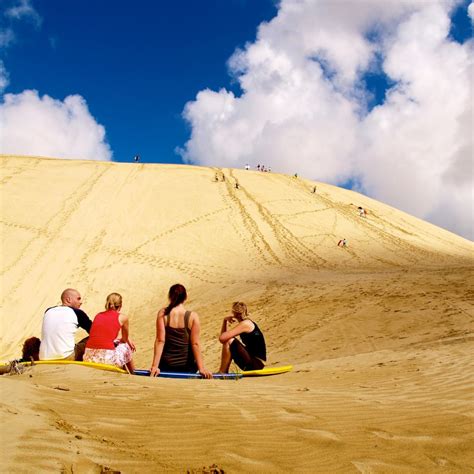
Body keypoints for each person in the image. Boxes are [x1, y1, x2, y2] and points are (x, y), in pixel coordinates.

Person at [150, 284, 212, 378]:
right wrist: (201, 368)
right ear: (185, 297)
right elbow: (195, 343)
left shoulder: (163, 313)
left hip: (166, 367)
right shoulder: (193, 316)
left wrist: (155, 366)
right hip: (187, 368)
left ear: (170, 296)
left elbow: (160, 340)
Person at [83, 293, 135, 371]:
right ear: (120, 305)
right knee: (126, 345)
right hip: (106, 360)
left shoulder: (98, 315)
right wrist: (126, 339)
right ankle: (132, 372)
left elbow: (103, 335)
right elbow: (124, 340)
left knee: (115, 344)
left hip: (88, 357)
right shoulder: (123, 317)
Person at [39, 288, 92, 360]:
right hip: (66, 357)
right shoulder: (77, 313)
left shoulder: (48, 311)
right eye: (78, 299)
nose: (81, 302)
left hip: (44, 357)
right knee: (93, 339)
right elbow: (94, 331)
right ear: (68, 300)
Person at [218, 302, 266, 373]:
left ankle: (222, 371)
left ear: (234, 313)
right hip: (255, 362)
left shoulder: (246, 324)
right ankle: (223, 371)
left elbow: (222, 338)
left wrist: (225, 320)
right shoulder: (247, 322)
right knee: (228, 339)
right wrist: (225, 321)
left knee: (230, 340)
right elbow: (223, 338)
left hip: (256, 364)